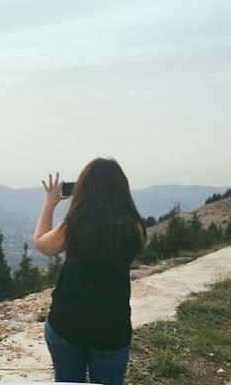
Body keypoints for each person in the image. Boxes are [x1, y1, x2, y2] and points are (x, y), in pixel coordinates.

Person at [33, 157, 147, 384]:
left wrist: (50, 203)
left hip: (66, 324)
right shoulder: (134, 227)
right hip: (112, 329)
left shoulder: (75, 223)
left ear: (83, 189)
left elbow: (42, 244)